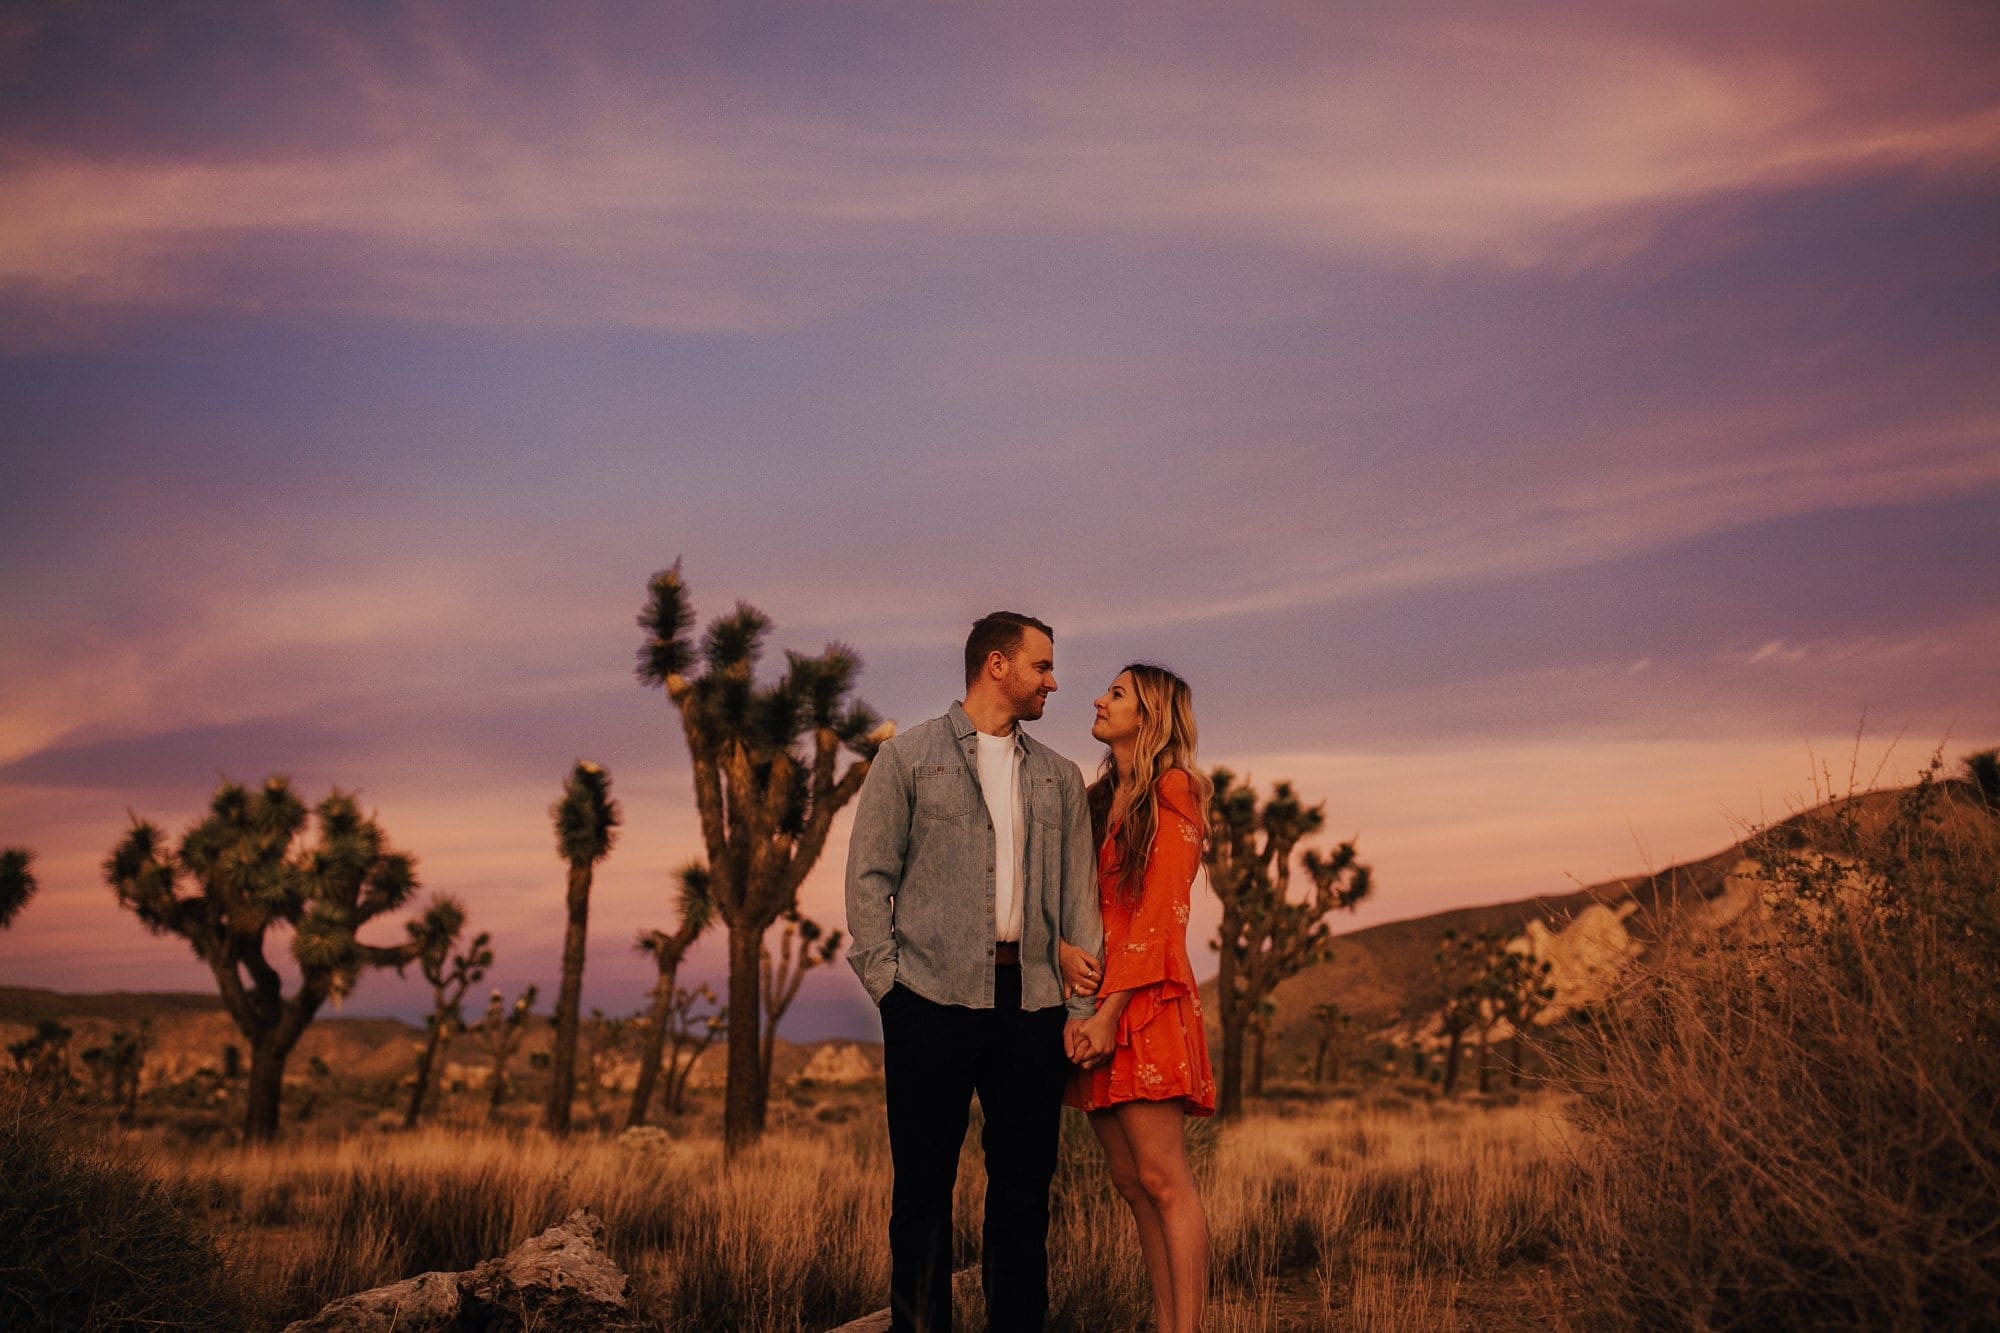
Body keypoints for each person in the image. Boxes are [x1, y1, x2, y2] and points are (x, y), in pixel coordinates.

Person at [845, 611, 1105, 1332]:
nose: (1053, 681)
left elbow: (1080, 904)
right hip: (928, 1000)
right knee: (923, 1191)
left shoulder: (1059, 777)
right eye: (1042, 666)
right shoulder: (910, 759)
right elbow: (869, 877)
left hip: (1032, 1006)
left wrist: (1079, 1013)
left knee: (1024, 1192)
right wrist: (889, 986)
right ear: (997, 664)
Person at [1064, 663, 1217, 1333]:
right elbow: (1079, 903)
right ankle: (1163, 1322)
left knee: (1164, 1177)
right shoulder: (1098, 799)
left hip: (1140, 1005)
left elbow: (1161, 915)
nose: (1100, 698)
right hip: (1092, 1010)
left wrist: (1108, 1013)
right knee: (1130, 1180)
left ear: (1150, 714)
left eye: (1117, 693)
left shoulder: (1175, 788)